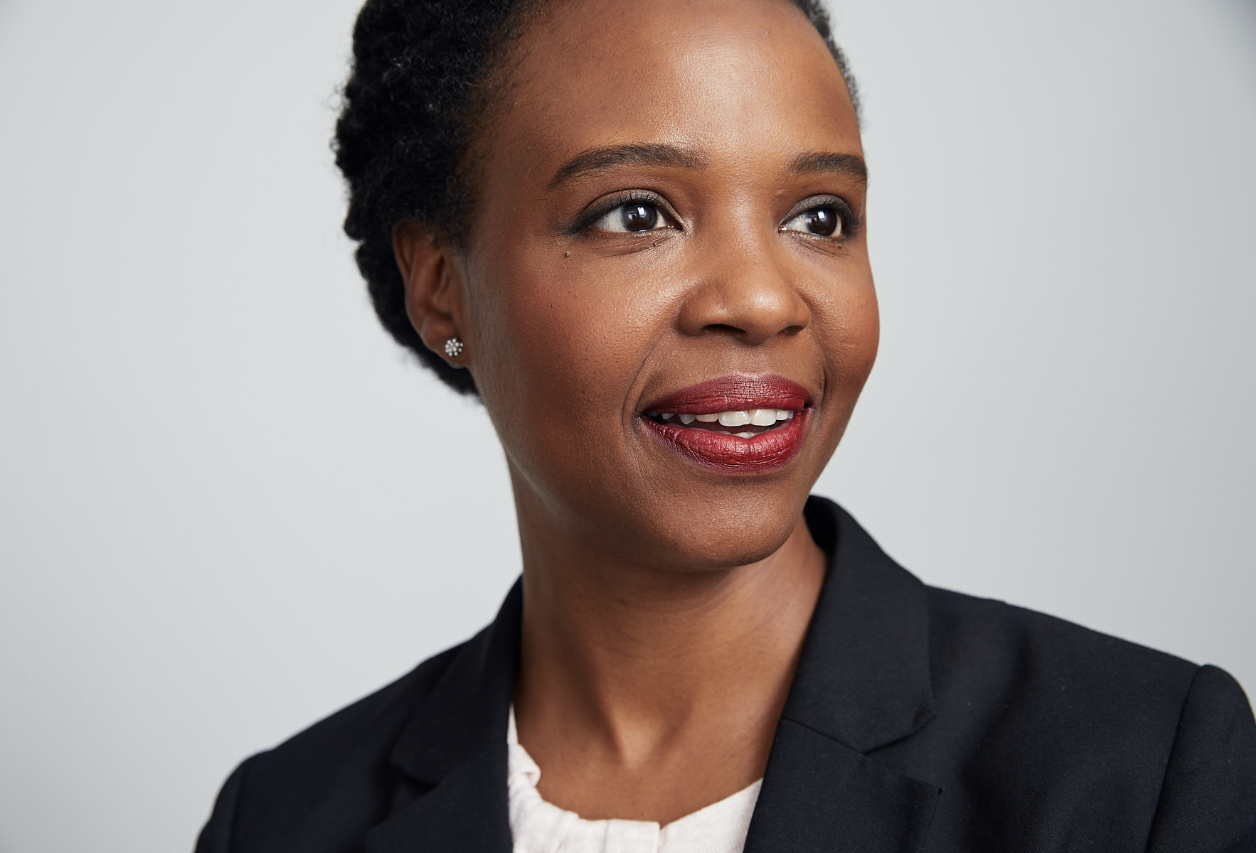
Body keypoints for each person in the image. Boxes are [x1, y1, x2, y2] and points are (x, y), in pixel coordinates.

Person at [195, 0, 1256, 849]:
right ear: (440, 292)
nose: (761, 298)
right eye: (634, 212)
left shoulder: (1141, 770)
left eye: (817, 217)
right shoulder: (285, 819)